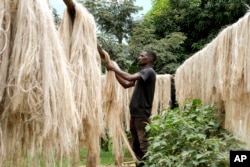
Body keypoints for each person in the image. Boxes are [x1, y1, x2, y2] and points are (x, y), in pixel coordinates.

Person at [106, 50, 157, 166]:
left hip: (142, 115)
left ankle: (150, 164)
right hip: (135, 115)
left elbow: (129, 77)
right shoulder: (143, 73)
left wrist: (114, 68)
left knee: (144, 146)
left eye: (142, 56)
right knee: (136, 145)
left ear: (149, 59)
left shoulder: (149, 72)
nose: (139, 57)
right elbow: (126, 84)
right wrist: (114, 72)